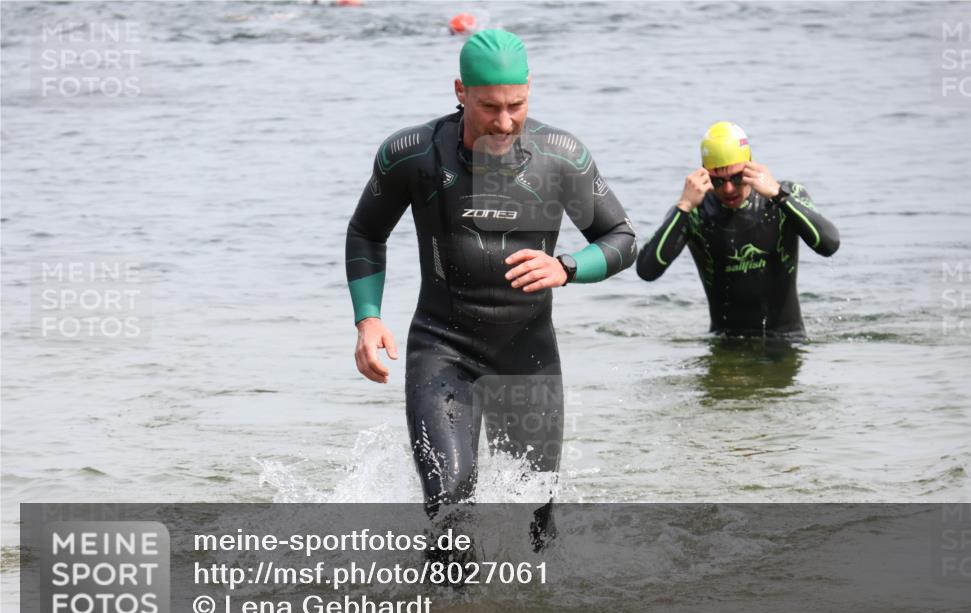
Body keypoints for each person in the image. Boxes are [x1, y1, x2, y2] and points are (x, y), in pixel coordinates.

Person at [345, 30, 636, 534]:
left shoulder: (560, 157)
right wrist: (367, 319)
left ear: (529, 90)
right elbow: (366, 233)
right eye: (489, 107)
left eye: (516, 105)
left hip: (528, 355)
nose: (504, 121)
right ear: (460, 91)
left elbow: (621, 239)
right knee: (448, 504)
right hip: (443, 348)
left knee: (536, 521)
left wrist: (567, 268)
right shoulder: (412, 154)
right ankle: (444, 612)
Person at [636, 122, 840, 337]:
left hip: (786, 341)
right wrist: (683, 207)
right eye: (717, 181)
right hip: (725, 346)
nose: (728, 189)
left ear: (751, 166)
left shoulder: (784, 196)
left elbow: (829, 244)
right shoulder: (694, 212)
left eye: (736, 177)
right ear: (704, 174)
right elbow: (647, 270)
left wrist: (779, 195)